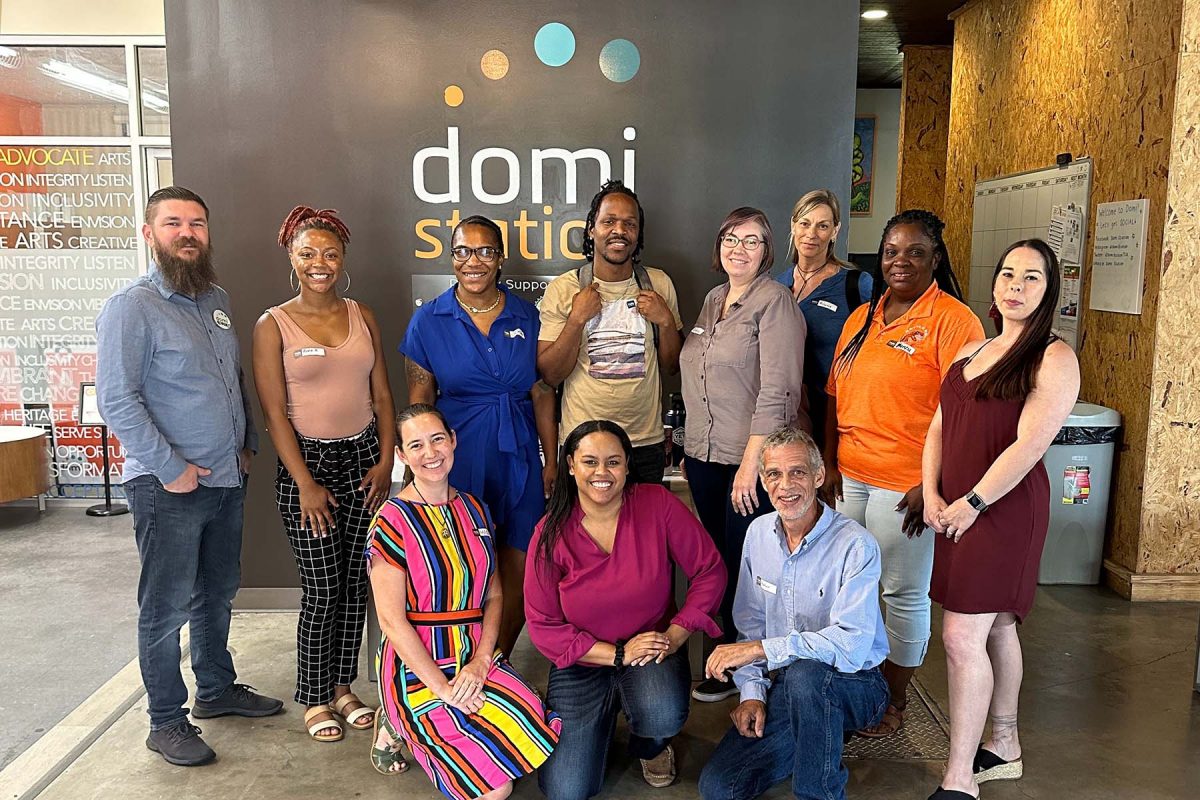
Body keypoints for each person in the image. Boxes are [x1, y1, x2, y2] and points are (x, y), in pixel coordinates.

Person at [96, 186, 283, 767]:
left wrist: (248, 443)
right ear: (149, 234)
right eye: (173, 222)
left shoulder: (216, 300)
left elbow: (231, 380)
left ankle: (216, 690)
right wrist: (172, 468)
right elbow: (117, 401)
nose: (188, 233)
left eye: (197, 223)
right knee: (165, 606)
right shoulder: (132, 307)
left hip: (226, 479)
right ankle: (164, 721)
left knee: (218, 592)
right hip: (166, 487)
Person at [922, 240, 1079, 800]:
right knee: (999, 626)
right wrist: (930, 490)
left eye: (1031, 278)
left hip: (1004, 510)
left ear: (1048, 290)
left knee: (962, 636)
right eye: (1008, 274)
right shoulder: (972, 349)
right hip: (958, 507)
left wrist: (974, 502)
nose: (1016, 286)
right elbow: (939, 425)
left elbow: (1028, 445)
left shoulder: (1054, 358)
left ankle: (960, 778)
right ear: (993, 284)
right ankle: (1004, 745)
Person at [823, 209, 984, 738]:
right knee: (855, 590)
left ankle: (893, 700)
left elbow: (968, 412)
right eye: (892, 251)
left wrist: (933, 484)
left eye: (915, 252)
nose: (900, 261)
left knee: (901, 592)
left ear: (935, 258)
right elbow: (833, 398)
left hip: (906, 485)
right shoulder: (863, 317)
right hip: (851, 477)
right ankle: (861, 686)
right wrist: (828, 462)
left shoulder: (954, 320)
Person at [252, 206, 397, 743]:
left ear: (343, 259)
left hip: (364, 462)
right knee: (322, 587)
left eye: (330, 253)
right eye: (308, 253)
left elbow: (382, 394)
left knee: (356, 584)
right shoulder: (274, 324)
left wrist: (385, 461)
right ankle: (314, 696)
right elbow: (273, 414)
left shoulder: (363, 314)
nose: (320, 263)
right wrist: (307, 485)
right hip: (306, 467)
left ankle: (342, 687)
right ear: (291, 256)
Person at [367, 403, 561, 798]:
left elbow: (493, 594)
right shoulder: (391, 520)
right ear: (402, 455)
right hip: (417, 666)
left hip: (473, 653)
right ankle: (396, 717)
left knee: (531, 725)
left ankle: (416, 730)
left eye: (437, 439)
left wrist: (482, 660)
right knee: (497, 789)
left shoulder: (474, 508)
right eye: (416, 445)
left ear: (453, 441)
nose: (431, 452)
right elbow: (391, 623)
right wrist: (443, 689)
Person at [524, 420, 726, 798]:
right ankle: (602, 718)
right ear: (570, 465)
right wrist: (617, 654)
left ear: (628, 465)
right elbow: (543, 624)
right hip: (583, 662)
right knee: (566, 790)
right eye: (589, 462)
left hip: (651, 649)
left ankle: (650, 744)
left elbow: (709, 569)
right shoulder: (550, 531)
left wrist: (675, 633)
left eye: (613, 462)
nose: (602, 473)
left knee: (661, 714)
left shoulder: (656, 505)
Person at [698, 426, 889, 800]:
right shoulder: (756, 535)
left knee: (807, 675)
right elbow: (749, 625)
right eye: (773, 474)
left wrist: (760, 650)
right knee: (720, 787)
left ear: (818, 476)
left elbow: (851, 644)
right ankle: (816, 733)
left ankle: (818, 790)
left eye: (798, 472)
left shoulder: (856, 544)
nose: (786, 485)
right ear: (763, 482)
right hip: (787, 688)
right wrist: (752, 693)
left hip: (858, 684)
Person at [402, 215, 557, 658]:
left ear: (500, 258)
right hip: (458, 457)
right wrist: (420, 468)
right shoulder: (428, 320)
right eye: (463, 251)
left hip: (521, 455)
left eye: (485, 250)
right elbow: (419, 403)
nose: (474, 261)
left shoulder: (527, 314)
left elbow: (542, 390)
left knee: (522, 559)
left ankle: (496, 660)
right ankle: (461, 658)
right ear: (452, 258)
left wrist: (551, 460)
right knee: (465, 563)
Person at [681, 206, 808, 703]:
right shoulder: (714, 300)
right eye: (732, 237)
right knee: (714, 564)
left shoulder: (775, 302)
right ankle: (719, 660)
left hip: (747, 463)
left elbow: (778, 390)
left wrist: (751, 466)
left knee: (749, 568)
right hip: (702, 456)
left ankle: (748, 667)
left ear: (767, 251)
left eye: (752, 240)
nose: (740, 247)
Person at [537, 180, 684, 484]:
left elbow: (672, 366)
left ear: (638, 233)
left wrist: (666, 322)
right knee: (583, 532)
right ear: (591, 229)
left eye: (629, 223)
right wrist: (576, 319)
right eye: (609, 221)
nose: (620, 230)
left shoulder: (659, 284)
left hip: (645, 442)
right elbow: (550, 375)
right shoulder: (565, 289)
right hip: (583, 442)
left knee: (642, 532)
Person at [776, 190, 873, 448]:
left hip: (836, 418)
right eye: (805, 223)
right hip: (785, 416)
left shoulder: (856, 285)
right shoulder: (775, 287)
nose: (811, 234)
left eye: (823, 226)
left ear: (835, 231)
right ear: (793, 225)